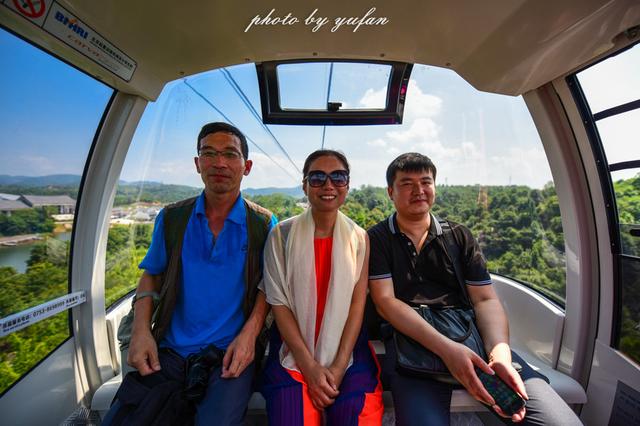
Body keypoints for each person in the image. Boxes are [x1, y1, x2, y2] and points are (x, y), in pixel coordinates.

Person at [368, 152, 582, 425]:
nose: (419, 190)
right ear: (390, 191)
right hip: (412, 345)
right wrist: (448, 350)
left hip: (469, 336)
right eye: (407, 184)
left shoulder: (459, 236)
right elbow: (386, 302)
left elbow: (484, 300)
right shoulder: (377, 239)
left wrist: (499, 353)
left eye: (426, 182)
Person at [103, 122, 277, 425]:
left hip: (230, 353)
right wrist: (142, 331)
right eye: (209, 153)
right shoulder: (173, 218)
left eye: (230, 154)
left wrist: (250, 335)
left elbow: (269, 286)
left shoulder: (262, 224)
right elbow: (152, 275)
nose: (219, 163)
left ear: (246, 166)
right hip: (169, 349)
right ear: (197, 164)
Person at [261, 150, 383, 426]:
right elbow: (278, 305)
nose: (328, 185)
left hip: (346, 349)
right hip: (294, 350)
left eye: (338, 177)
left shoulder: (359, 238)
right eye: (317, 178)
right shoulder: (281, 235)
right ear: (304, 185)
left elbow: (357, 306)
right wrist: (310, 368)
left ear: (347, 186)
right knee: (293, 417)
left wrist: (338, 367)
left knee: (356, 413)